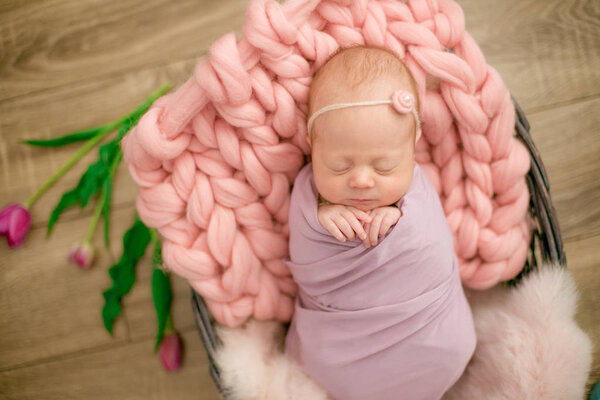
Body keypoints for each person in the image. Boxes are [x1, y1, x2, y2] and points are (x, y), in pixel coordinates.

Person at [283, 45, 477, 400]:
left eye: (384, 166)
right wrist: (321, 216)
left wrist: (402, 219)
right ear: (312, 144)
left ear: (413, 143)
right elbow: (304, 245)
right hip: (339, 344)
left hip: (428, 332)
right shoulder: (307, 193)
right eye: (339, 166)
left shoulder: (417, 193)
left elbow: (431, 240)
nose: (361, 181)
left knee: (449, 345)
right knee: (319, 363)